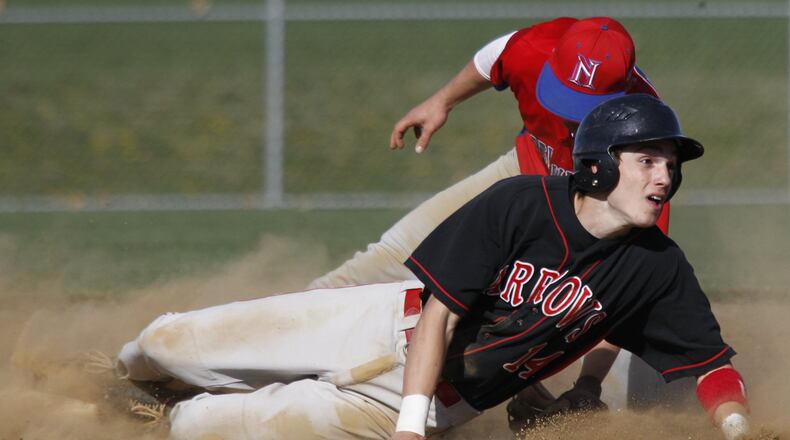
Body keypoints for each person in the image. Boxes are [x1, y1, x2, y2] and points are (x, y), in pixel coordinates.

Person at [114, 95, 751, 440]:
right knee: (166, 343)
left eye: (672, 165)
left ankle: (138, 419)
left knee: (198, 426)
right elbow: (442, 315)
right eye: (648, 160)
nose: (665, 176)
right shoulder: (520, 205)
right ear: (599, 166)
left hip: (441, 399)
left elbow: (710, 367)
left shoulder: (658, 269)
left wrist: (737, 427)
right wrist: (411, 429)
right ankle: (117, 377)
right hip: (378, 325)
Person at [308, 16, 663, 426]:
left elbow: (627, 291)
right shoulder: (533, 49)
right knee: (396, 254)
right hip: (519, 177)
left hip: (589, 218)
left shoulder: (647, 145)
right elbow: (490, 57)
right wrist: (442, 101)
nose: (570, 117)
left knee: (600, 351)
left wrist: (588, 385)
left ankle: (534, 404)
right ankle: (285, 331)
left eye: (586, 109)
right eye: (565, 96)